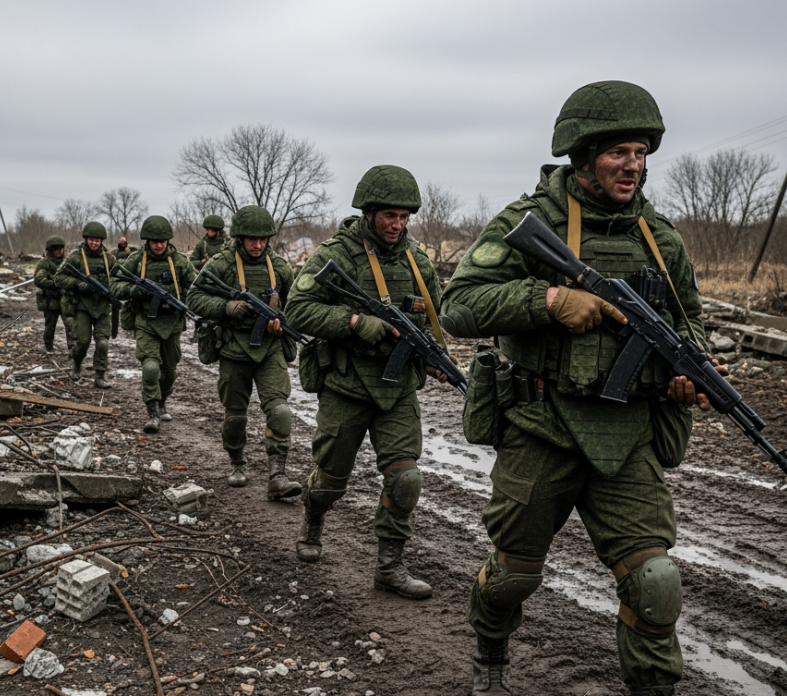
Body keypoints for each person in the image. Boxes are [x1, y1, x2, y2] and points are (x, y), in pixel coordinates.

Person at [440, 81, 713, 696]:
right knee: (512, 577)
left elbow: (691, 325)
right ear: (583, 153)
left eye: (641, 153)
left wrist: (686, 374)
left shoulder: (660, 239)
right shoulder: (526, 222)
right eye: (620, 152)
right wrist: (549, 299)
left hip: (627, 440)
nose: (634, 166)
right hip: (542, 428)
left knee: (656, 584)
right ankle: (490, 657)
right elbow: (457, 307)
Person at [285, 165, 447, 600]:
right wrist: (355, 321)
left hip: (397, 392)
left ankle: (389, 567)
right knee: (331, 481)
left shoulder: (418, 261)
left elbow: (430, 321)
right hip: (347, 386)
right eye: (390, 216)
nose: (398, 225)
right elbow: (296, 309)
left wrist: (434, 357)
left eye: (405, 217)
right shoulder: (335, 255)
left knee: (406, 479)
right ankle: (313, 518)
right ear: (369, 212)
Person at [185, 205, 303, 499]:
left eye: (263, 239)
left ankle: (277, 475)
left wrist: (281, 322)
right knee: (235, 417)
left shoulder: (280, 268)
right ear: (239, 237)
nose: (258, 245)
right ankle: (237, 461)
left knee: (281, 412)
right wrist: (225, 307)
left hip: (270, 350)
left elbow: (297, 306)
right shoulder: (220, 263)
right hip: (234, 350)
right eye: (252, 239)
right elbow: (194, 297)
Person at [112, 215, 197, 433]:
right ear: (147, 241)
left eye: (162, 241)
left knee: (169, 373)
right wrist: (132, 291)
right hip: (145, 322)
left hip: (172, 324)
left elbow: (197, 289)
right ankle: (152, 413)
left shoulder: (179, 261)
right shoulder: (136, 260)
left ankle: (161, 400)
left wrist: (177, 299)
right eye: (154, 241)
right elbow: (114, 283)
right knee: (150, 367)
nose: (159, 245)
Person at [55, 222, 117, 389]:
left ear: (101, 241)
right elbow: (59, 278)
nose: (94, 243)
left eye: (97, 240)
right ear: (86, 239)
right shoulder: (75, 257)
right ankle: (76, 364)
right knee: (82, 342)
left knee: (103, 343)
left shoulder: (109, 259)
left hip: (103, 307)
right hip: (82, 306)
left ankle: (100, 375)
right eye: (91, 239)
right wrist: (78, 284)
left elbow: (118, 280)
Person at [32, 236, 72, 352]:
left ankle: (72, 349)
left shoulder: (68, 262)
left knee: (71, 325)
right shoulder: (45, 263)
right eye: (55, 249)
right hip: (51, 301)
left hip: (66, 300)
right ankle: (49, 347)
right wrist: (55, 284)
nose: (58, 251)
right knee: (50, 327)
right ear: (50, 250)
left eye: (60, 248)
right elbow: (39, 279)